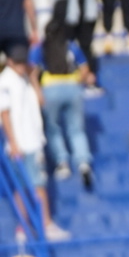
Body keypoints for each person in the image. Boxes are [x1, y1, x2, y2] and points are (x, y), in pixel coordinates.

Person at [0, 50, 67, 240]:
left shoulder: (25, 79)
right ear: (10, 62)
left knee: (34, 184)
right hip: (21, 144)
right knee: (33, 185)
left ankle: (28, 226)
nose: (22, 66)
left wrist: (34, 80)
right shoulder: (5, 81)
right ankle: (41, 224)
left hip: (33, 141)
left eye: (24, 61)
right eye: (18, 62)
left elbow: (41, 102)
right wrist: (13, 143)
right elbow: (4, 114)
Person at [31, 17, 95, 189]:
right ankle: (83, 162)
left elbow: (32, 72)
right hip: (72, 87)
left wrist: (38, 92)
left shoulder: (40, 48)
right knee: (77, 129)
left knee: (53, 129)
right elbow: (85, 69)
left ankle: (62, 163)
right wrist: (77, 83)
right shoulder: (71, 46)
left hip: (50, 88)